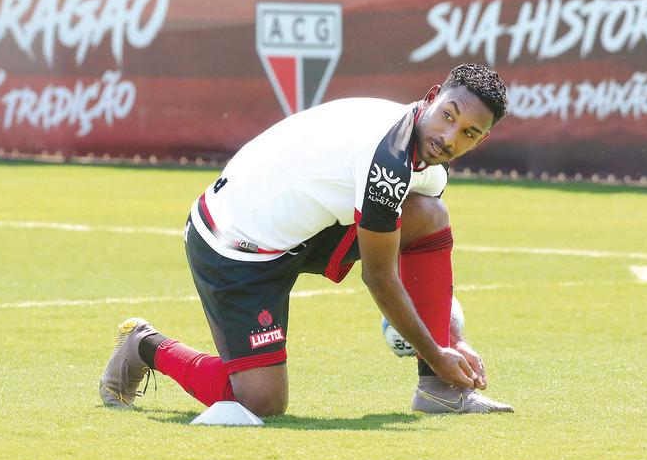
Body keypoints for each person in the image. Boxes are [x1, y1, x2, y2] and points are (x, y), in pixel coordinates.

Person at [99, 63, 514, 416]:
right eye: (449, 115)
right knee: (259, 403)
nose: (450, 137)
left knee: (427, 215)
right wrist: (440, 354)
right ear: (432, 96)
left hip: (305, 230)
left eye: (469, 133)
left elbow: (412, 248)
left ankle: (438, 392)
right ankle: (143, 346)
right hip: (234, 243)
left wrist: (449, 340)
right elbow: (380, 276)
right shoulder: (387, 157)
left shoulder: (429, 165)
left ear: (482, 140)